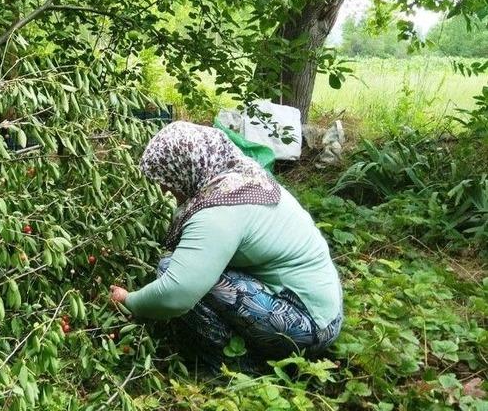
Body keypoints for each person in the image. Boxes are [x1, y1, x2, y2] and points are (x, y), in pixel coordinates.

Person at [109, 121, 343, 366]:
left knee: (171, 269)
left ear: (184, 168)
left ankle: (234, 364)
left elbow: (175, 294)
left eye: (166, 179)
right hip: (326, 311)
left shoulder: (219, 211)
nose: (165, 189)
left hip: (307, 326)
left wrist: (130, 300)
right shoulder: (239, 178)